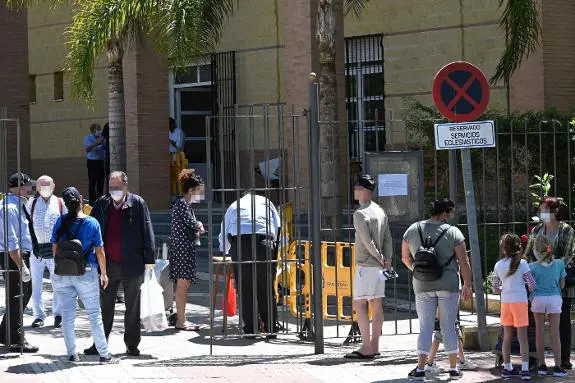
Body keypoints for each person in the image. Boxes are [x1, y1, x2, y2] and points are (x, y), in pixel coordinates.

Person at [84, 171, 156, 357]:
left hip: (132, 264)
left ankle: (132, 344)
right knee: (105, 307)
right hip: (107, 265)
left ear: (125, 185)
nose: (113, 190)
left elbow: (147, 230)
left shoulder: (138, 203)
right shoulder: (101, 203)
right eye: (111, 187)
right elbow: (90, 230)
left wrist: (150, 260)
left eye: (117, 187)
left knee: (132, 307)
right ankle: (100, 343)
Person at [402, 198, 473, 380]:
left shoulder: (412, 230)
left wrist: (419, 272)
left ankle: (420, 368)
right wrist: (467, 284)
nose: (449, 218)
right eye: (448, 214)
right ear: (443, 214)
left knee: (425, 327)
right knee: (448, 326)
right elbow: (463, 262)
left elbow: (406, 259)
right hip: (448, 285)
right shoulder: (453, 232)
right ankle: (453, 368)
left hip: (422, 285)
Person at [50, 187, 118, 363]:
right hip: (86, 272)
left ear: (65, 204)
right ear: (81, 199)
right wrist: (104, 273)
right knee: (94, 314)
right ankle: (104, 354)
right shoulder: (92, 222)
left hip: (63, 273)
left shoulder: (60, 221)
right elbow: (100, 250)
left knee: (67, 315)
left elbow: (55, 248)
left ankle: (72, 353)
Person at [218, 190, 281, 338]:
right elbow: (278, 226)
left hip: (241, 244)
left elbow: (224, 230)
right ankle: (271, 327)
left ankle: (251, 329)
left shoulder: (234, 205)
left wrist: (226, 251)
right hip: (264, 242)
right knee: (266, 286)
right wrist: (275, 249)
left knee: (245, 288)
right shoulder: (267, 202)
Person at [344, 174, 392, 359]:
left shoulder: (360, 213)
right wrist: (387, 259)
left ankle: (366, 347)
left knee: (359, 303)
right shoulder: (380, 210)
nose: (354, 190)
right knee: (377, 303)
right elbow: (387, 238)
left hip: (367, 264)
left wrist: (380, 258)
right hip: (380, 266)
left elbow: (367, 241)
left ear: (363, 190)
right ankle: (375, 346)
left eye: (356, 187)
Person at [524, 196, 575, 370]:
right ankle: (537, 358)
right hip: (540, 283)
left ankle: (564, 358)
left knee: (563, 320)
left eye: (545, 209)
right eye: (541, 209)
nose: (542, 213)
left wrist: (550, 266)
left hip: (562, 281)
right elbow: (528, 252)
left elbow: (568, 255)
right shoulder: (537, 230)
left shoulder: (567, 230)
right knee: (536, 324)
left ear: (554, 211)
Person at [0, 173, 37, 353]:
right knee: (18, 296)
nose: (31, 190)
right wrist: (21, 266)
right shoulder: (10, 208)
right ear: (21, 187)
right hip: (14, 257)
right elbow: (11, 241)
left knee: (22, 294)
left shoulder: (18, 204)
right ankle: (14, 338)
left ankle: (6, 332)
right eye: (29, 186)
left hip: (18, 256)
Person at [493, 233, 536, 380]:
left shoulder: (498, 265)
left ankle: (507, 367)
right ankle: (524, 369)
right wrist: (527, 289)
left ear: (504, 248)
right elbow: (532, 284)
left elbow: (495, 289)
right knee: (522, 338)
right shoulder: (523, 264)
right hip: (520, 302)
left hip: (506, 303)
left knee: (507, 337)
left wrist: (505, 287)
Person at [26, 175, 66, 328]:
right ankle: (38, 315)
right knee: (36, 284)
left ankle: (58, 314)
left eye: (48, 185)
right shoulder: (32, 203)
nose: (45, 188)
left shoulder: (60, 203)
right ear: (37, 188)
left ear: (54, 185)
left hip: (55, 251)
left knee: (57, 283)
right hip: (36, 251)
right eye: (42, 186)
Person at [168, 169, 205, 331]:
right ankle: (181, 321)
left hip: (185, 250)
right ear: (191, 190)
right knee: (182, 286)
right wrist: (200, 225)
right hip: (182, 250)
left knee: (184, 286)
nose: (201, 194)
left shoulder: (185, 205)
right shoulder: (182, 205)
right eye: (199, 191)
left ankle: (182, 319)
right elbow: (193, 224)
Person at [529, 235, 567, 377]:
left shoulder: (532, 267)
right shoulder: (559, 264)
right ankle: (557, 366)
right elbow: (562, 285)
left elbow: (530, 287)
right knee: (555, 333)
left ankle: (542, 365)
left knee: (539, 332)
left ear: (536, 250)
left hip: (538, 299)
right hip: (554, 298)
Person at [84, 123, 106, 205]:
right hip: (92, 162)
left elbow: (105, 146)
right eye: (98, 129)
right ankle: (92, 202)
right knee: (92, 182)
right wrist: (97, 143)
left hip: (100, 161)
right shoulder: (88, 138)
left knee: (101, 182)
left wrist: (103, 143)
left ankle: (100, 201)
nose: (99, 131)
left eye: (100, 129)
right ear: (93, 130)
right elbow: (87, 149)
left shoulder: (102, 138)